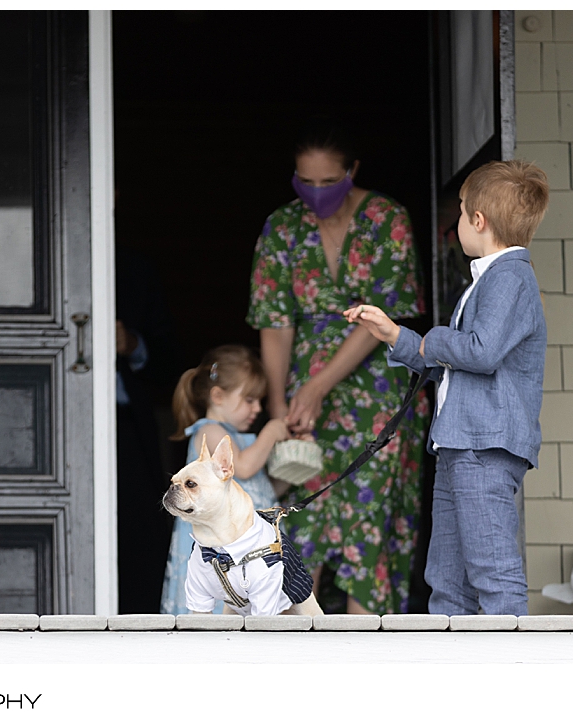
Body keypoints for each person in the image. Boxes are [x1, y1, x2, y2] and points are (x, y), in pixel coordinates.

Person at [344, 160, 549, 616]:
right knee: (447, 580)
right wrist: (395, 336)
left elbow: (480, 352)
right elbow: (460, 364)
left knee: (493, 575)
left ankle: (513, 673)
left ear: (479, 221)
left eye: (459, 212)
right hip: (461, 445)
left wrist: (433, 338)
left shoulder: (510, 277)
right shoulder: (487, 279)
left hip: (483, 446)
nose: (455, 222)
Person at [246, 116, 429, 614]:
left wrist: (321, 386)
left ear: (353, 171)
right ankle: (288, 655)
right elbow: (274, 323)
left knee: (367, 526)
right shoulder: (282, 227)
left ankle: (364, 660)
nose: (317, 192)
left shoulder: (386, 219)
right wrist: (283, 408)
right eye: (306, 182)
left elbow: (382, 318)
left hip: (375, 389)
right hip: (305, 398)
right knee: (298, 524)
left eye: (329, 181)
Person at [160, 344, 304, 615]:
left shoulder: (239, 441)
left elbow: (261, 487)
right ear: (218, 396)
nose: (257, 408)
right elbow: (246, 468)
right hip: (222, 543)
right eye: (249, 399)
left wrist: (294, 471)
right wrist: (272, 431)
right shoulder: (211, 433)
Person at [115, 245, 180, 613]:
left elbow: (171, 359)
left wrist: (133, 344)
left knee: (141, 531)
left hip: (126, 427)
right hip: (48, 416)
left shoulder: (133, 269)